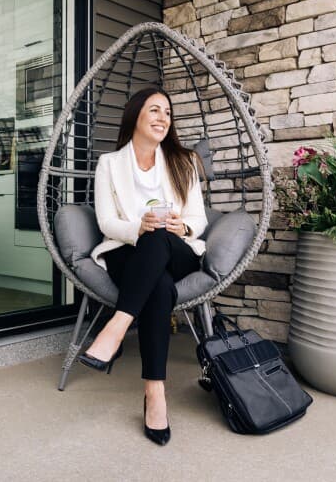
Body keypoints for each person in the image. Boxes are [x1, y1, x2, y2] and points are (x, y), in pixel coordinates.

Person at [78, 85, 207, 446]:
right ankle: (155, 393)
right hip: (127, 251)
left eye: (167, 111)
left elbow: (198, 218)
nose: (163, 117)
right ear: (135, 114)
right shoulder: (110, 164)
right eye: (154, 110)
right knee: (159, 285)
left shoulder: (184, 161)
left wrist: (183, 226)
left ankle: (116, 327)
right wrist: (139, 227)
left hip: (177, 248)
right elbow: (105, 222)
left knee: (159, 237)